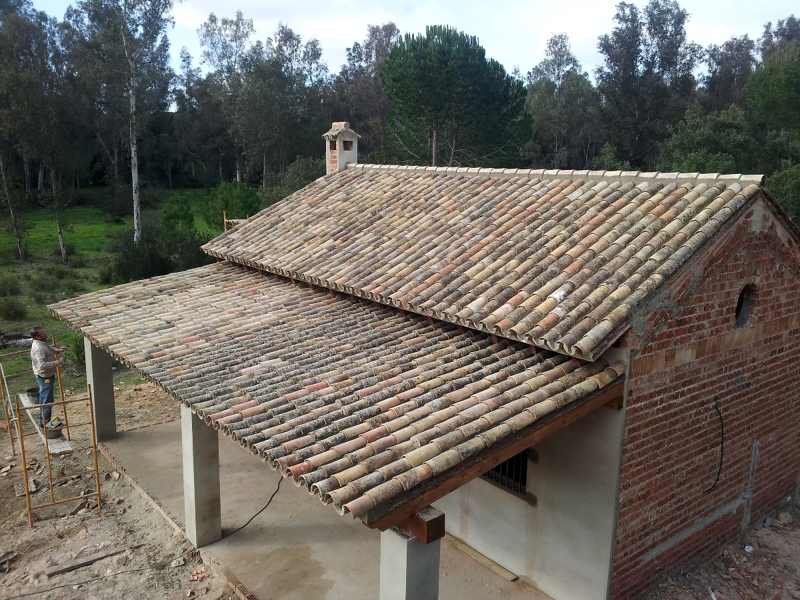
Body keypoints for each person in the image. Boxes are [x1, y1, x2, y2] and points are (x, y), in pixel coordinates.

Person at [29, 327, 66, 427]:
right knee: (47, 400)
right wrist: (58, 362)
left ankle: (43, 420)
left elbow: (48, 349)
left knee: (44, 398)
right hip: (45, 377)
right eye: (43, 333)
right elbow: (42, 365)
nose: (45, 334)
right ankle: (45, 422)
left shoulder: (41, 343)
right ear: (37, 336)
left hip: (46, 375)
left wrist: (58, 351)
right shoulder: (38, 349)